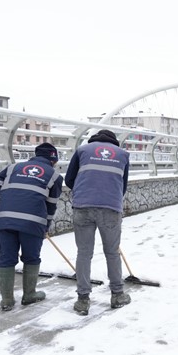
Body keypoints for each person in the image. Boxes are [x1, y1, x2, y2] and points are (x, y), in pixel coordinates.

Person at [65, 129, 131, 315]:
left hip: (83, 206)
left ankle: (83, 300)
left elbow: (69, 179)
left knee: (84, 253)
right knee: (112, 252)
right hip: (111, 206)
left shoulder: (82, 150)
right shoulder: (123, 154)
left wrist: (84, 190)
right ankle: (117, 295)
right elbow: (123, 183)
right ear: (114, 142)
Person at [0, 143, 63, 311]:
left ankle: (7, 300)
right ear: (53, 160)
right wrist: (46, 226)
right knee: (31, 258)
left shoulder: (12, 168)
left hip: (5, 219)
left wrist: (13, 197)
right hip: (33, 222)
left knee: (6, 257)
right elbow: (51, 206)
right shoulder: (54, 176)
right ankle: (29, 295)